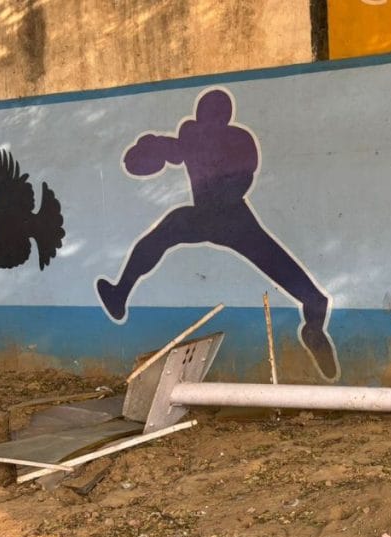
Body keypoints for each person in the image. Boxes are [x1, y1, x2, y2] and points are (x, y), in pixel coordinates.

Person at [97, 89, 339, 380]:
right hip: (219, 217)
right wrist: (150, 149)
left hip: (229, 217)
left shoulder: (230, 138)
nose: (207, 119)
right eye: (205, 114)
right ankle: (119, 292)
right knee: (160, 236)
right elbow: (157, 155)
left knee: (282, 269)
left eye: (211, 114)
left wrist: (165, 154)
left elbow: (240, 179)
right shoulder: (195, 135)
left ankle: (314, 320)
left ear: (223, 118)